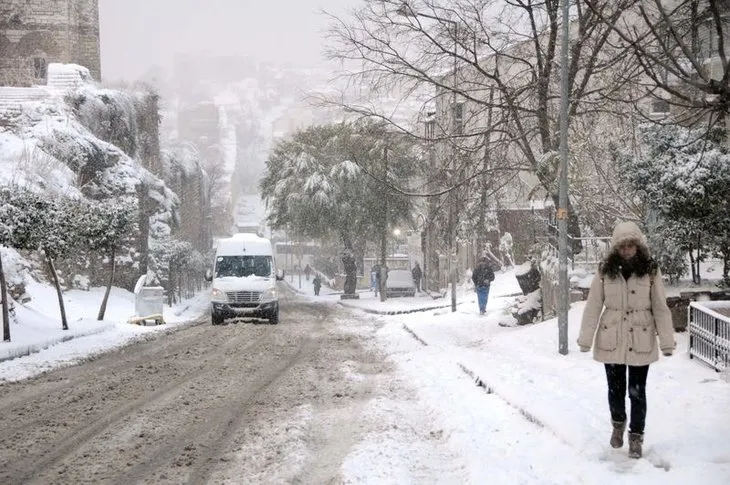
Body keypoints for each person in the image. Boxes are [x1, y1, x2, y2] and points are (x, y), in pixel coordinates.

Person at [578, 221, 675, 459]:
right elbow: (593, 305)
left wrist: (667, 341)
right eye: (623, 246)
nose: (627, 250)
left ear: (638, 246)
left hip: (640, 338)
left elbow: (660, 307)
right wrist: (585, 339)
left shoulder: (650, 270)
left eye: (631, 245)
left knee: (637, 392)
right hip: (611, 337)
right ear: (616, 247)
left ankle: (636, 437)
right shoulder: (605, 269)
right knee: (615, 390)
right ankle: (618, 424)